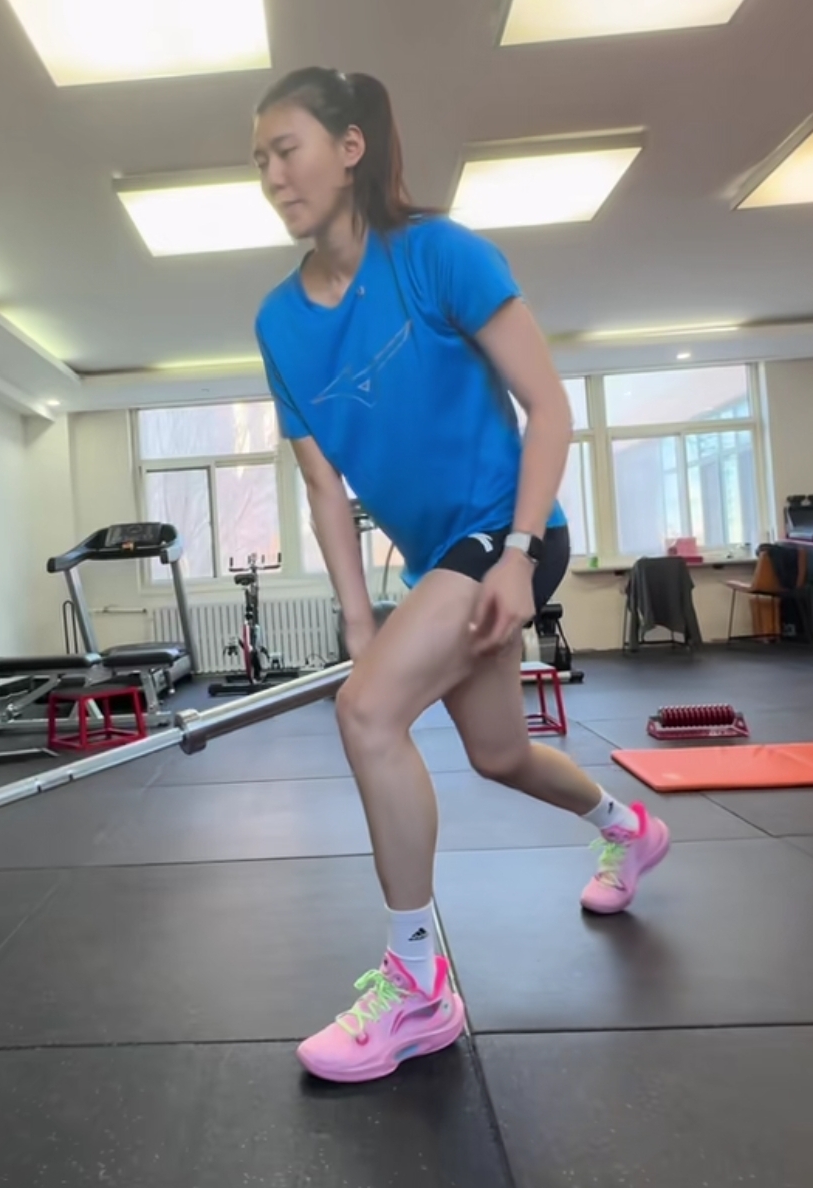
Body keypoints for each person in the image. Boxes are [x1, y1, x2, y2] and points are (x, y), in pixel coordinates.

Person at [251, 67, 671, 1085]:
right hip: (442, 557)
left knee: (366, 715)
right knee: (497, 754)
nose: (271, 175)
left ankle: (417, 987)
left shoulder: (437, 254)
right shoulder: (277, 322)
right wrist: (358, 618)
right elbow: (321, 486)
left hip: (506, 530)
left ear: (350, 147)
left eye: (286, 149)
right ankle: (629, 828)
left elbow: (549, 408)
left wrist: (520, 554)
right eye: (258, 160)